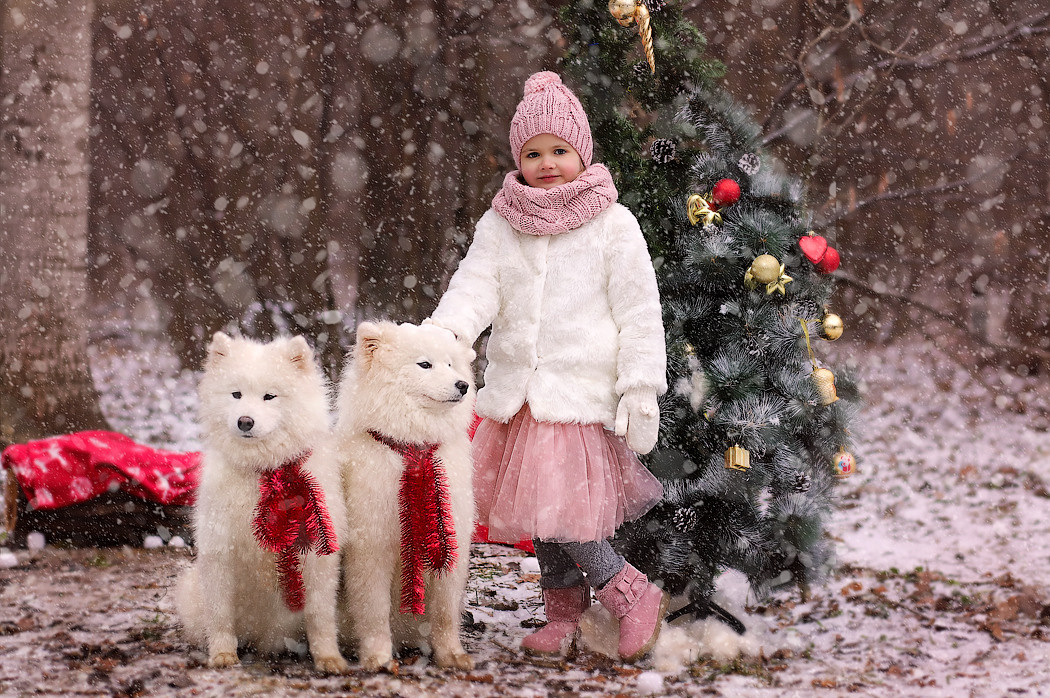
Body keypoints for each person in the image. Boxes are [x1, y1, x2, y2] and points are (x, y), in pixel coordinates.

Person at [428, 71, 668, 662]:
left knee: (570, 515)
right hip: (521, 394)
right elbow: (476, 284)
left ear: (581, 153)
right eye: (533, 153)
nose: (548, 163)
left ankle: (629, 592)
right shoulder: (502, 223)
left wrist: (640, 388)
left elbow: (640, 312)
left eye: (560, 150)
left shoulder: (614, 225)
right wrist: (446, 331)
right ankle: (562, 614)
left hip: (580, 393)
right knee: (542, 512)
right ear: (518, 159)